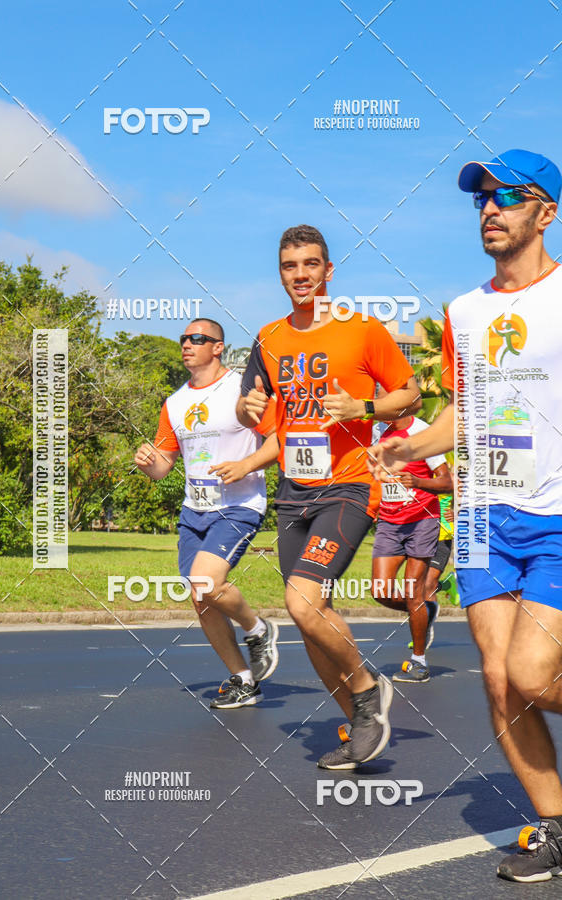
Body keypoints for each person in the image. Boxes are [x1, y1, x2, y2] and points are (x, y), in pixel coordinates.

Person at [369, 149, 562, 883]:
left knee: (534, 673)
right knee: (499, 681)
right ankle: (556, 828)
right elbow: (463, 410)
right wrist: (410, 447)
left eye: (508, 195)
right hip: (481, 517)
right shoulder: (463, 312)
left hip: (556, 513)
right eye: (481, 197)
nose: (489, 208)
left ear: (547, 212)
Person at [236, 224, 422, 769]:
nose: (300, 275)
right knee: (310, 617)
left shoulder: (362, 330)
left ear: (328, 270)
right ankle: (362, 725)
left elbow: (410, 395)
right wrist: (247, 411)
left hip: (348, 486)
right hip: (294, 492)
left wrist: (364, 409)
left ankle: (367, 691)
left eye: (310, 264)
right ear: (280, 273)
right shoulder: (268, 338)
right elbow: (252, 409)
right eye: (290, 266)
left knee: (301, 600)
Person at [134, 318, 280, 709]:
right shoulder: (175, 403)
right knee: (201, 596)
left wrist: (246, 465)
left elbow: (279, 440)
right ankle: (244, 679)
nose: (187, 344)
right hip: (194, 510)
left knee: (207, 581)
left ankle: (258, 628)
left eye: (198, 338)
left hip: (238, 505)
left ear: (218, 347)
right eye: (184, 338)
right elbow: (163, 465)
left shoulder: (242, 389)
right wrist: (148, 461)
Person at [372, 412, 452, 682]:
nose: (377, 406)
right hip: (389, 522)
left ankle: (419, 662)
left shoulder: (423, 432)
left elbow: (447, 482)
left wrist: (417, 482)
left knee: (413, 591)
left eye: (381, 397)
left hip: (422, 521)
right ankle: (424, 611)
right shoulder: (377, 432)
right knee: (380, 591)